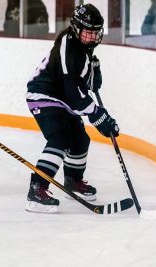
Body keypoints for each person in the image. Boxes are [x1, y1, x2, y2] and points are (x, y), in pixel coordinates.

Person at [25, 4, 119, 213]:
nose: (94, 37)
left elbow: (84, 87)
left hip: (63, 100)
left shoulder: (84, 51)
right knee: (61, 138)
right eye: (89, 32)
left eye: (96, 32)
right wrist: (98, 115)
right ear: (76, 28)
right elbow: (73, 92)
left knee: (80, 140)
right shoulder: (67, 45)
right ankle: (37, 188)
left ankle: (73, 181)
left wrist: (93, 74)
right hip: (44, 96)